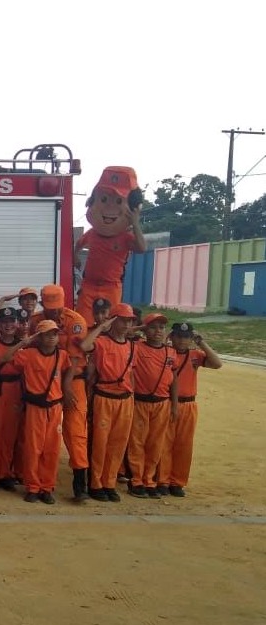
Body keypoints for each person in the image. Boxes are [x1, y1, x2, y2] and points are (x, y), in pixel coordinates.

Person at [0, 320, 72, 504]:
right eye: (47, 334)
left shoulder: (62, 355)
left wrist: (67, 390)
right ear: (39, 337)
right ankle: (32, 487)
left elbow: (70, 369)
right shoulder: (28, 354)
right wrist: (23, 342)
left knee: (52, 450)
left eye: (54, 334)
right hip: (35, 409)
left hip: (54, 408)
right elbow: (5, 358)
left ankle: (47, 487)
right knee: (33, 449)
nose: (52, 338)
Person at [32, 284, 90, 501]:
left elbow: (75, 358)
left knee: (76, 431)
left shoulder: (76, 322)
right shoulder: (37, 322)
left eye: (57, 307)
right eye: (50, 308)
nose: (54, 312)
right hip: (44, 381)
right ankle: (38, 482)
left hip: (72, 380)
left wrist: (66, 386)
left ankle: (80, 484)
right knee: (41, 435)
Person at [80, 303, 138, 502]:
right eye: (122, 320)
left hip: (124, 400)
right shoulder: (102, 342)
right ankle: (95, 483)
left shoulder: (131, 346)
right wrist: (101, 327)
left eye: (129, 321)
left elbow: (131, 376)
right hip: (104, 397)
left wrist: (132, 399)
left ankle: (109, 482)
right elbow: (85, 346)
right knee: (100, 444)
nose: (126, 324)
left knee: (118, 445)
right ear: (114, 320)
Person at [156, 323, 222, 497]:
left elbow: (217, 363)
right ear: (172, 337)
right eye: (178, 336)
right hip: (169, 403)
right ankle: (162, 480)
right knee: (165, 443)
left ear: (191, 338)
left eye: (186, 337)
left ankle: (177, 481)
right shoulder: (166, 353)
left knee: (184, 445)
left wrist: (201, 342)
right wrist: (166, 338)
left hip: (189, 404)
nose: (182, 340)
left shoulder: (195, 356)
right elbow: (159, 348)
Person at [75, 166, 147, 324]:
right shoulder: (92, 233)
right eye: (104, 200)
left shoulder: (126, 237)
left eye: (119, 201)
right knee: (82, 322)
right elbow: (77, 244)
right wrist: (75, 257)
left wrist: (135, 224)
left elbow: (142, 248)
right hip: (89, 285)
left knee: (110, 323)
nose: (109, 207)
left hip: (111, 287)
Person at [126, 312, 177, 499]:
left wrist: (174, 404)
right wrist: (140, 327)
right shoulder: (136, 347)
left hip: (162, 404)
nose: (158, 331)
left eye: (161, 328)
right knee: (137, 442)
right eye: (153, 327)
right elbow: (123, 332)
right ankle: (137, 480)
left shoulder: (170, 352)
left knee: (156, 444)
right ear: (146, 330)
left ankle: (150, 480)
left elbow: (174, 378)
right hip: (140, 402)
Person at [0, 307, 24, 491]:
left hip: (16, 390)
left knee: (10, 435)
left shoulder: (24, 345)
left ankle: (6, 473)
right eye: (5, 321)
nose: (9, 325)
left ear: (17, 323)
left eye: (12, 321)